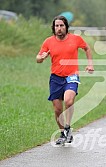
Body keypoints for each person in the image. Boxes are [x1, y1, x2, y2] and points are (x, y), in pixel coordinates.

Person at [36, 16, 94, 145]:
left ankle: (67, 126)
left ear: (66, 27)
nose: (59, 28)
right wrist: (42, 57)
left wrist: (90, 64)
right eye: (57, 26)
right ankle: (63, 133)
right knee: (57, 109)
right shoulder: (48, 42)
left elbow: (87, 48)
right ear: (54, 28)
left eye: (61, 26)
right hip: (56, 78)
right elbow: (38, 58)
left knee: (69, 100)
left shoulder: (75, 39)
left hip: (71, 76)